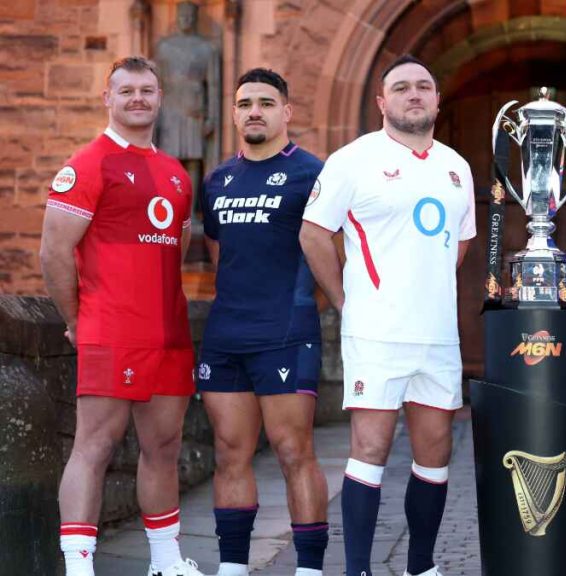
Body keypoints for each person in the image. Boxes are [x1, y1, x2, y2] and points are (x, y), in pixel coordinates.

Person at [299, 54, 476, 576]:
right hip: (376, 331)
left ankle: (420, 566)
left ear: (437, 100)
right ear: (382, 102)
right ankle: (358, 569)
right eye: (402, 88)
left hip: (437, 335)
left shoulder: (456, 166)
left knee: (435, 451)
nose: (414, 94)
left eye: (424, 86)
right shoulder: (352, 160)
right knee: (371, 447)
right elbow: (314, 233)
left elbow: (459, 244)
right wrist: (346, 299)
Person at [39, 56, 205, 576]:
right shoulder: (90, 162)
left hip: (169, 334)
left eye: (147, 90)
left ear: (160, 98)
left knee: (163, 446)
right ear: (107, 99)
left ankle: (165, 562)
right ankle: (79, 568)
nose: (138, 98)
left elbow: (171, 256)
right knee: (95, 445)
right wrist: (77, 318)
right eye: (127, 90)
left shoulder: (177, 175)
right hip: (111, 329)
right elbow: (53, 251)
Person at [196, 68, 328, 576]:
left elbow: (331, 256)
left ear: (286, 112)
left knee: (295, 450)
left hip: (286, 333)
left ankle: (310, 569)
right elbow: (218, 252)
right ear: (233, 112)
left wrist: (297, 309)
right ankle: (231, 567)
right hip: (226, 334)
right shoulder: (218, 180)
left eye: (266, 102)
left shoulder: (312, 174)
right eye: (246, 102)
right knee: (230, 452)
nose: (255, 110)